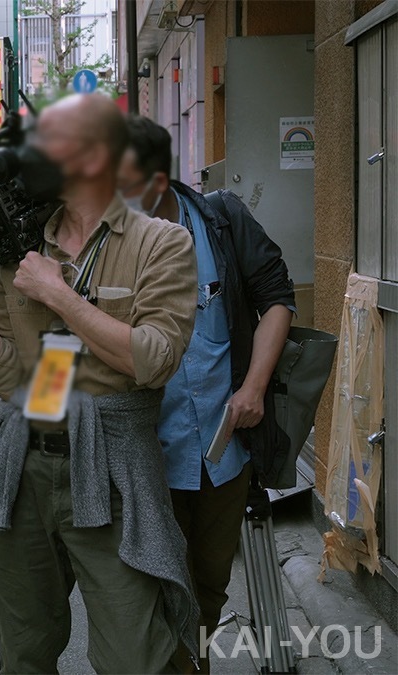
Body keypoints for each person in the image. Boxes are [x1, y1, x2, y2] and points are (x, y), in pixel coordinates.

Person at [0, 94, 201, 673]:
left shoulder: (162, 244)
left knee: (133, 656)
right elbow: (13, 378)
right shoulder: (20, 251)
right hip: (23, 466)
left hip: (112, 468)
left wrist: (58, 294)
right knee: (24, 652)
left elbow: (154, 359)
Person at [119, 115, 295, 672]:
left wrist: (253, 389)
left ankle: (191, 659)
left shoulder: (220, 218)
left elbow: (277, 297)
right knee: (156, 585)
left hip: (227, 445)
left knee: (211, 582)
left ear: (158, 178)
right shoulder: (107, 241)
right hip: (148, 451)